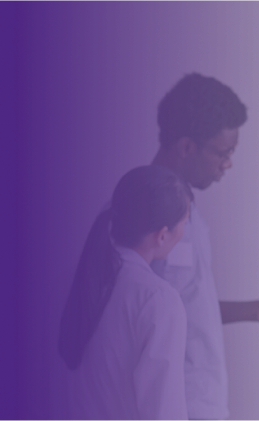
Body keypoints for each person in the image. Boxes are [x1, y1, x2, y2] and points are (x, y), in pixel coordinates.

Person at [150, 73, 259, 421]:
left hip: (199, 401)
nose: (228, 164)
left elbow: (185, 304)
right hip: (169, 404)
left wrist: (255, 310)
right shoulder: (141, 213)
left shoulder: (188, 211)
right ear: (186, 147)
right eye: (223, 153)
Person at [59, 165, 192, 421]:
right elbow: (163, 410)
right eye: (184, 223)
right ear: (162, 235)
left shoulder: (63, 284)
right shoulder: (158, 300)